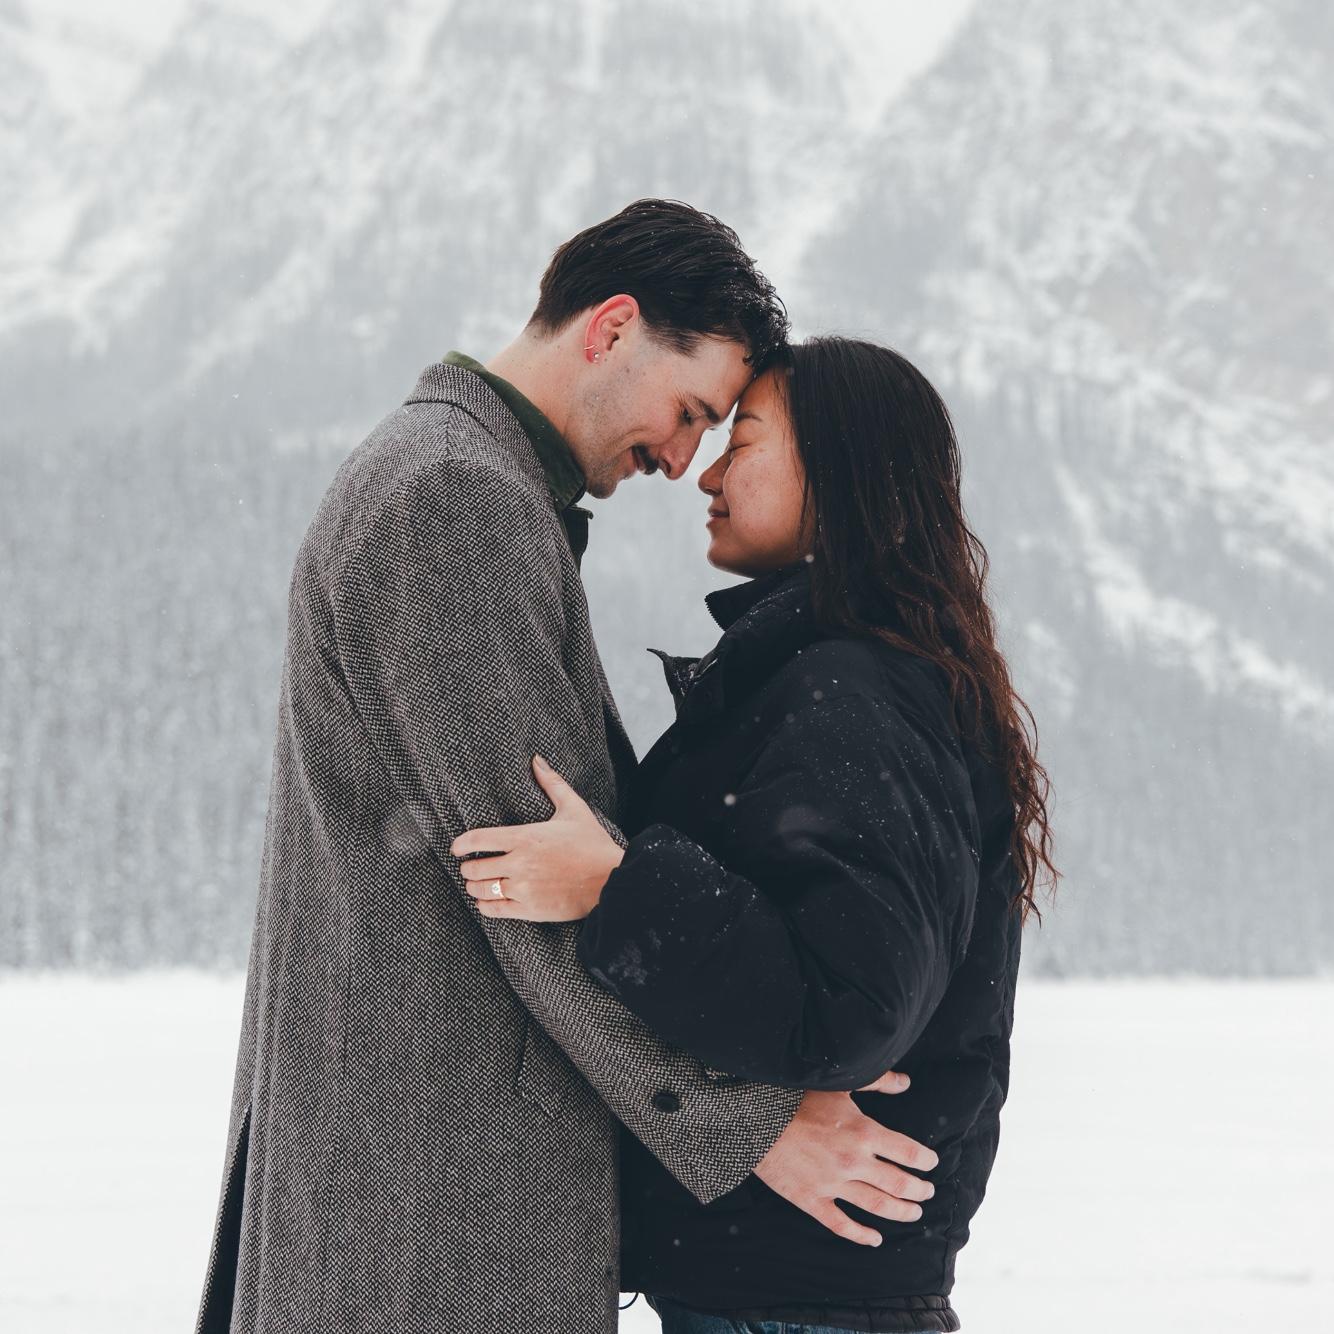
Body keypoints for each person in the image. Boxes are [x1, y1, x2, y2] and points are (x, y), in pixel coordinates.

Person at [194, 206, 941, 1334]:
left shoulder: (460, 481)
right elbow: (527, 881)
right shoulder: (452, 501)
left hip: (417, 1184)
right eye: (690, 412)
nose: (681, 461)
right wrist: (751, 1125)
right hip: (431, 1210)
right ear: (612, 328)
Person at [452, 336, 1058, 1333]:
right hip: (784, 1284)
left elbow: (847, 1008)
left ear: (841, 472)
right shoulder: (829, 674)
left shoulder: (852, 691)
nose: (707, 474)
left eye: (744, 443)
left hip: (799, 1298)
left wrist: (616, 885)